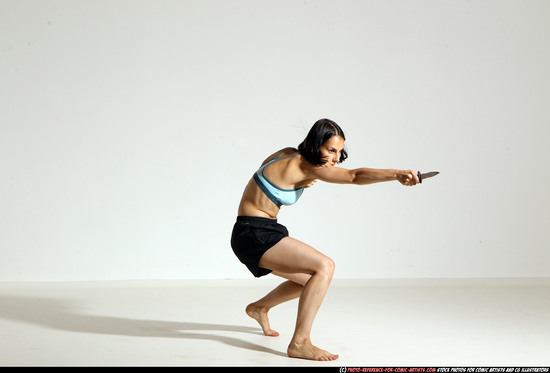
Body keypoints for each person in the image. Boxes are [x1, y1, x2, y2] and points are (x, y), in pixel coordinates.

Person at [230, 118, 419, 361]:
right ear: (315, 144)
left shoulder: (285, 154)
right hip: (254, 233)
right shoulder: (308, 166)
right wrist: (397, 174)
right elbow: (354, 176)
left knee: (311, 282)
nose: (336, 158)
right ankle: (300, 343)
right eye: (331, 150)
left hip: (258, 229)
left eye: (340, 151)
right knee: (325, 266)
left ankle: (259, 308)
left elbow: (268, 179)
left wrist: (297, 182)